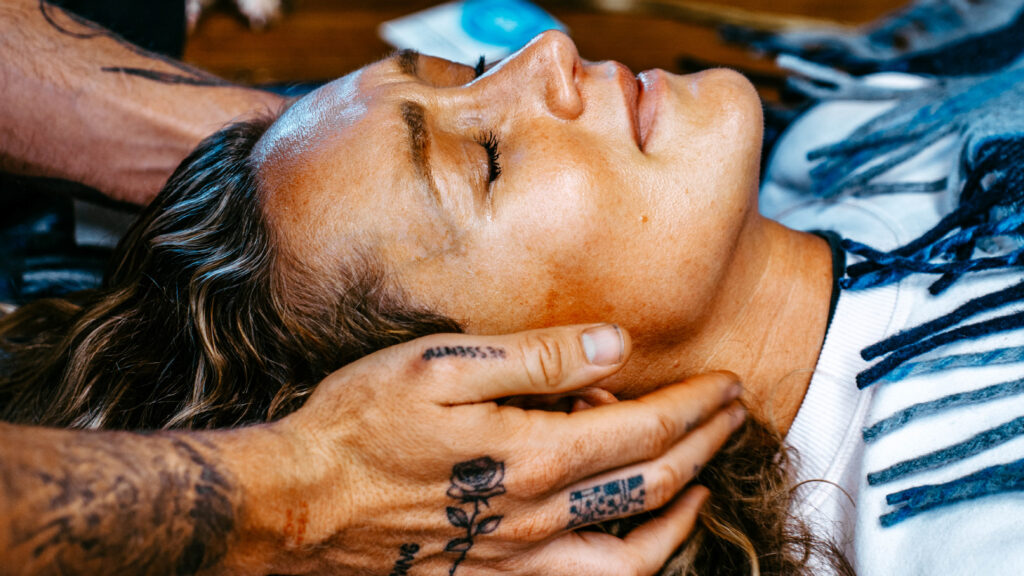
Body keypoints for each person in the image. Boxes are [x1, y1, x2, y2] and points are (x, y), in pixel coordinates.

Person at [4, 3, 1023, 576]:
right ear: (520, 417)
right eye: (487, 158)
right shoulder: (969, 534)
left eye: (465, 74)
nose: (548, 51)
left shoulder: (855, 142)